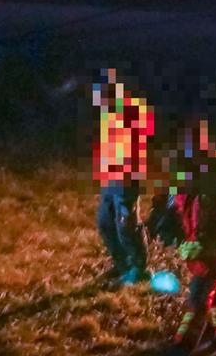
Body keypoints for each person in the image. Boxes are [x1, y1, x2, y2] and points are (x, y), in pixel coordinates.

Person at [162, 117, 216, 354]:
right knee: (213, 285)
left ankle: (185, 343)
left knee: (199, 294)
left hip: (215, 243)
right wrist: (165, 221)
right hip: (191, 243)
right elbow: (172, 201)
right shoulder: (181, 172)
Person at [93, 67, 153, 286]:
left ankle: (138, 269)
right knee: (105, 223)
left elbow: (144, 133)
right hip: (110, 179)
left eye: (103, 92)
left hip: (127, 178)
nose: (99, 98)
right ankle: (122, 264)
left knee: (127, 225)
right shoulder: (108, 112)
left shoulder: (131, 110)